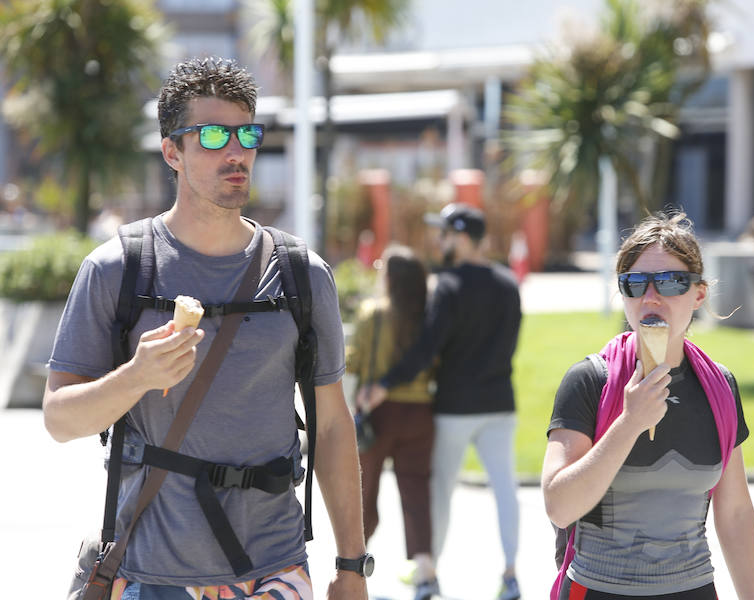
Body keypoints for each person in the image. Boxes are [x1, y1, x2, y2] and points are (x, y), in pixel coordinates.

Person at [43, 57, 369, 600]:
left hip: (273, 570)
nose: (237, 151)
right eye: (214, 135)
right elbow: (58, 419)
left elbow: (333, 425)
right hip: (147, 570)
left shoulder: (301, 275)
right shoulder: (118, 269)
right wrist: (135, 377)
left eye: (247, 133)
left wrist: (352, 565)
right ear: (173, 150)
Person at [542, 212, 754, 600]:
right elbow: (559, 506)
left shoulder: (719, 386)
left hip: (693, 588)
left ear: (698, 293)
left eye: (670, 282)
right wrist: (629, 422)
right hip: (597, 590)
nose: (650, 297)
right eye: (634, 283)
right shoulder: (590, 381)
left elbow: (735, 512)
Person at [360, 203, 523, 600]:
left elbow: (426, 347)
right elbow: (511, 343)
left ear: (462, 237)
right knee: (505, 490)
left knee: (438, 491)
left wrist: (384, 383)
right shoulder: (507, 283)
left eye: (446, 234)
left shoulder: (446, 284)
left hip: (453, 405)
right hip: (500, 402)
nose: (440, 241)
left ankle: (427, 571)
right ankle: (510, 573)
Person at [345, 245, 438, 600]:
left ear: (391, 278)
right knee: (416, 492)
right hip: (419, 413)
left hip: (378, 414)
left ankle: (353, 566)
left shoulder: (373, 314)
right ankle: (425, 570)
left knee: (364, 491)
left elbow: (352, 362)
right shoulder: (426, 316)